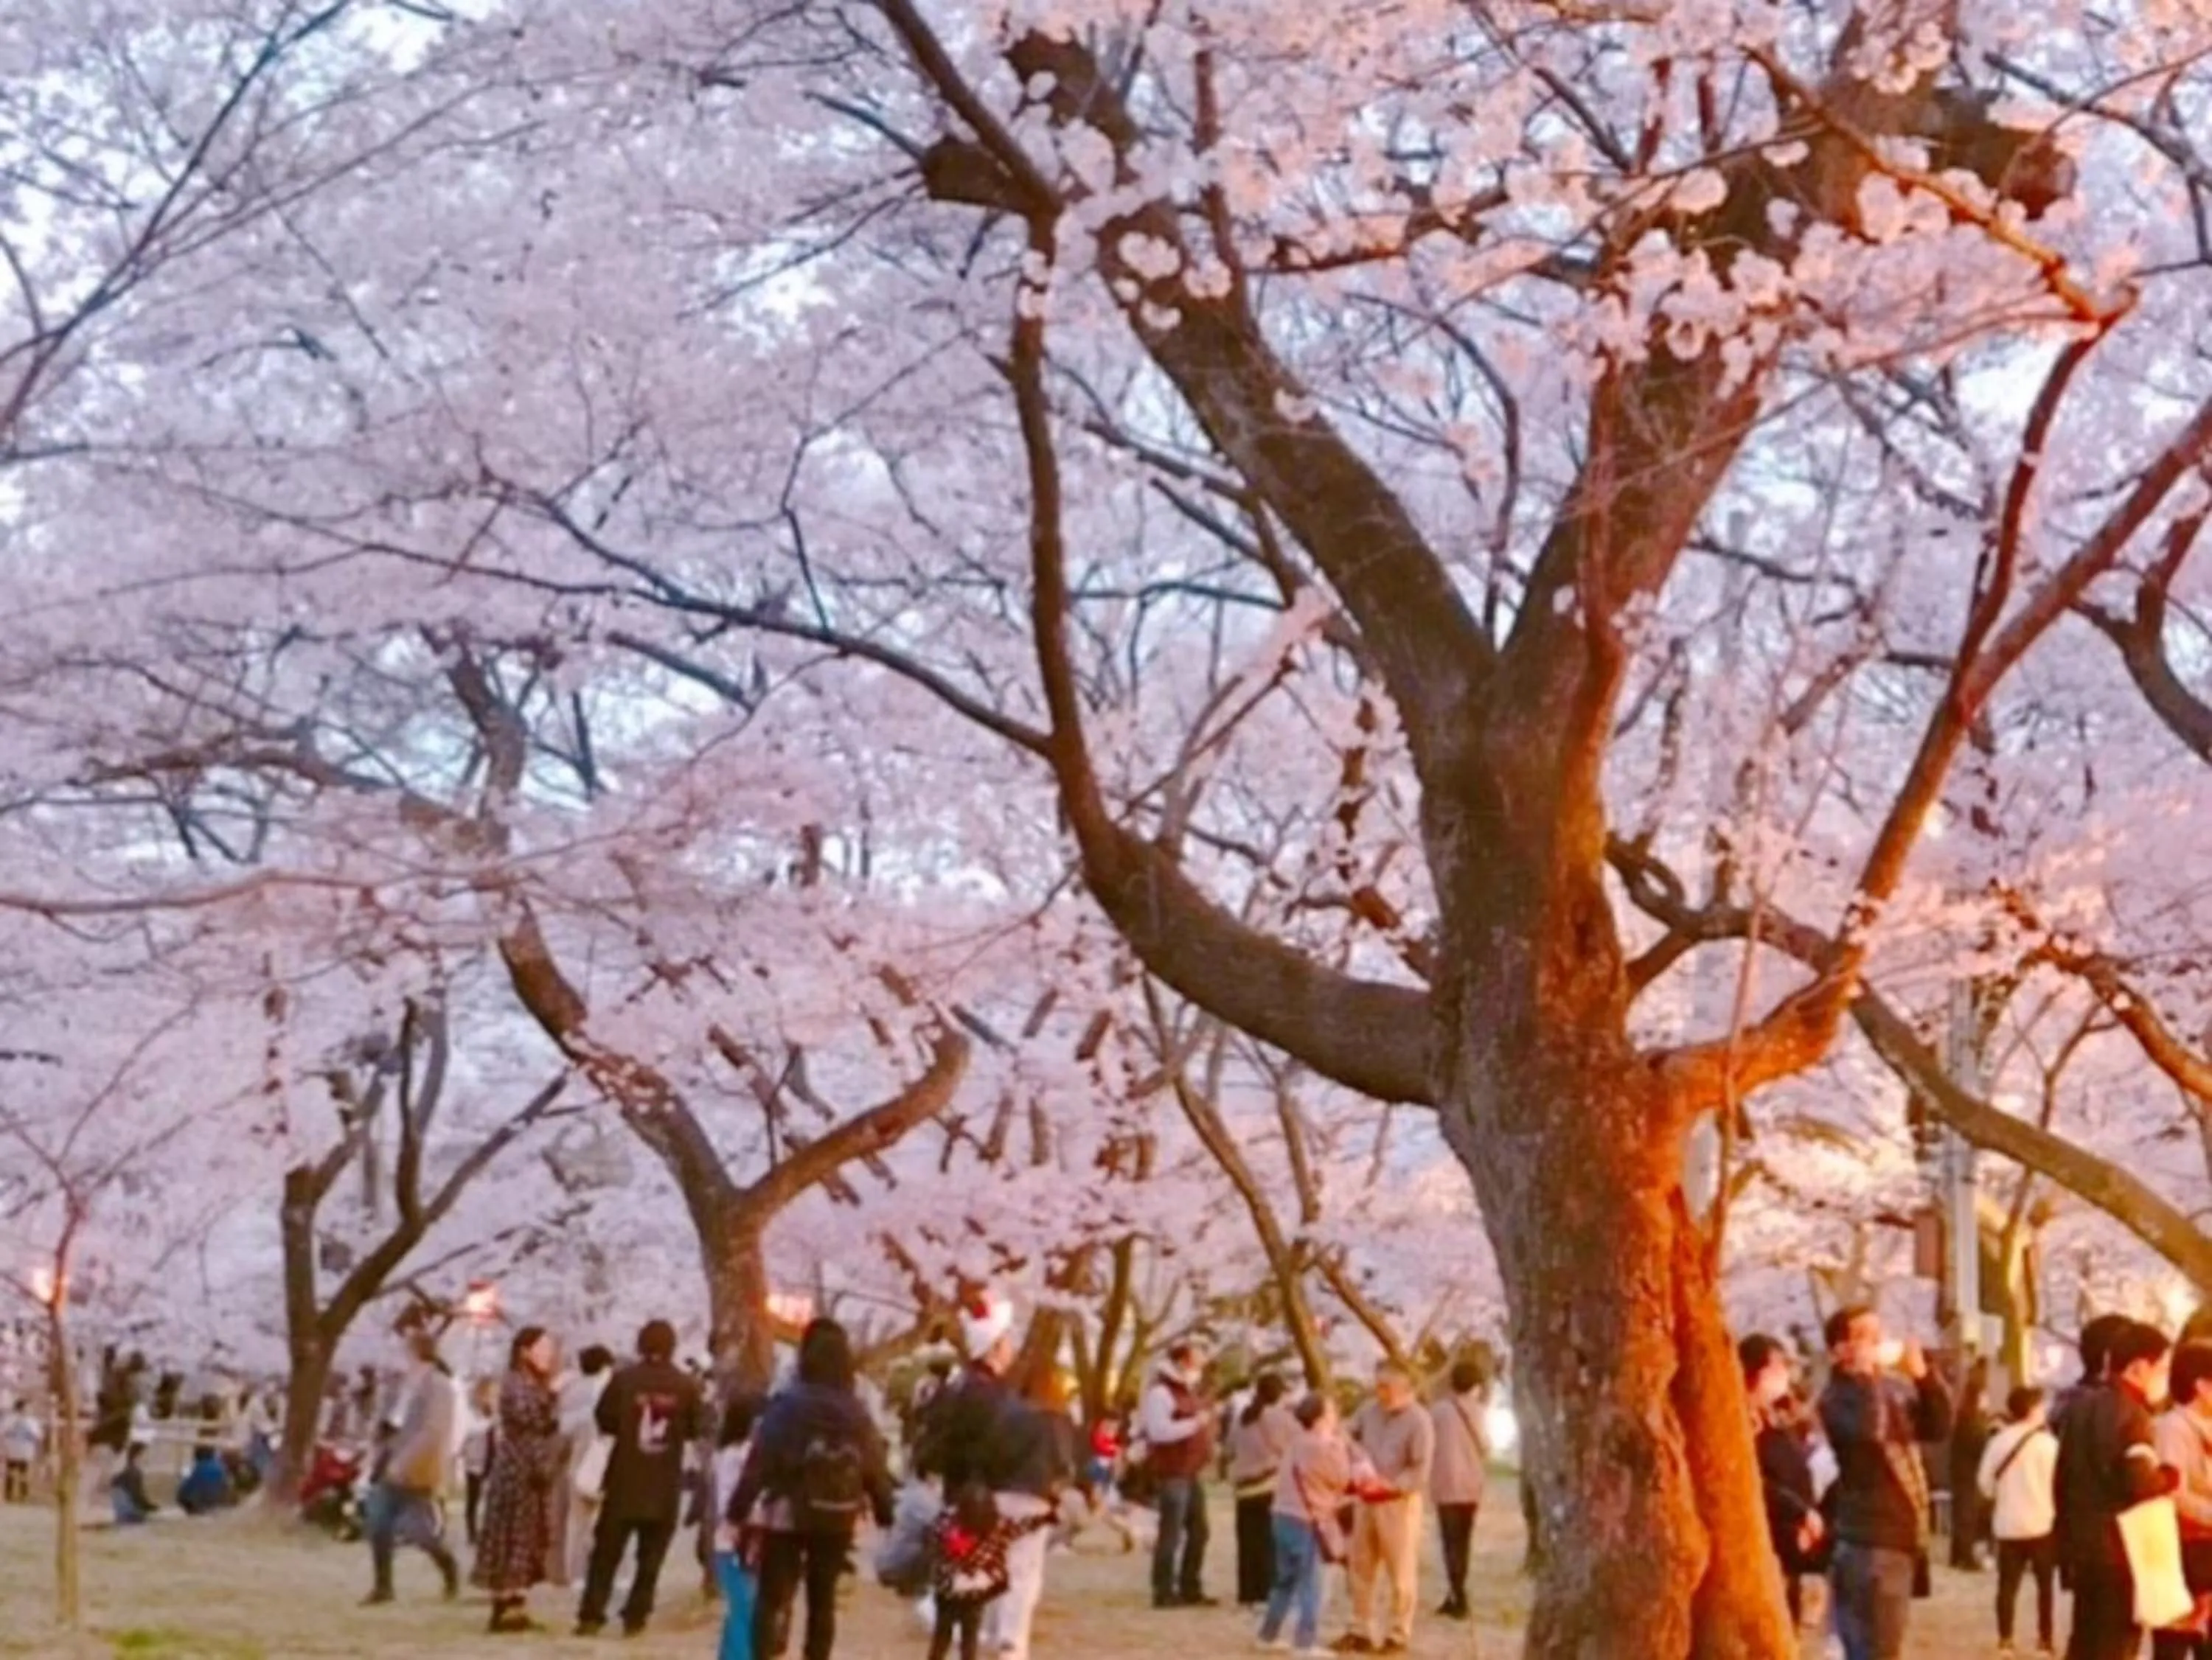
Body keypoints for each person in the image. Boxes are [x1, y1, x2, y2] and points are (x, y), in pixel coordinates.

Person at [731, 1317, 896, 1660]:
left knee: (773, 1596)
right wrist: (884, 1509)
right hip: (837, 1514)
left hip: (788, 1512)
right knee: (823, 1601)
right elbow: (874, 1464)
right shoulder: (856, 1411)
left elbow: (762, 1459)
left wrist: (738, 1509)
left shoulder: (788, 1404)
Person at [1817, 1306, 1952, 1660]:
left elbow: (1937, 1427)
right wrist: (1866, 1379)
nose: (1875, 1343)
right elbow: (1868, 1435)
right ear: (1839, 1349)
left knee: (1884, 1645)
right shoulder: (1837, 1398)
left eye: (1878, 1334)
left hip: (1899, 1537)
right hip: (1869, 1538)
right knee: (1872, 1648)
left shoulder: (1890, 1390)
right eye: (1863, 1335)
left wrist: (1925, 1378)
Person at [576, 1319, 706, 1638]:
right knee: (650, 1558)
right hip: (664, 1483)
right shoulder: (686, 1386)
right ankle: (637, 1615)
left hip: (624, 1479)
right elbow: (695, 1428)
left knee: (606, 1553)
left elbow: (604, 1420)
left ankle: (592, 1614)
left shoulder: (624, 1380)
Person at [2056, 1318, 2177, 1660]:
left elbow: (2063, 1478)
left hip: (2083, 1547)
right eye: (2161, 1368)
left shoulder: (2079, 1408)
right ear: (2140, 1367)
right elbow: (2139, 1482)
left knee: (2084, 1642)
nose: (2162, 1379)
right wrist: (2168, 1478)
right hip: (2120, 1550)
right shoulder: (2132, 1414)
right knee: (2115, 1645)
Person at [1256, 1392, 1374, 1659]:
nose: (1336, 1418)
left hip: (1282, 1515)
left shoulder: (1298, 1442)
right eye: (1332, 1413)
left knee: (1285, 1580)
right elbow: (1343, 1478)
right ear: (1321, 1419)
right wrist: (1346, 1446)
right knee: (1311, 1583)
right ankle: (1305, 1642)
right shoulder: (1322, 1449)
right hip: (1306, 1519)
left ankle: (1268, 1634)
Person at [362, 1326, 462, 1606]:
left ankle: (449, 1569)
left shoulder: (440, 1386)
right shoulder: (400, 1385)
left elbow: (433, 1431)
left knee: (419, 1533)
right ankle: (383, 1586)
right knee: (378, 1522)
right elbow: (390, 1420)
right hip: (391, 1461)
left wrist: (405, 1462)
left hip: (420, 1469)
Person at [472, 1325, 563, 1634]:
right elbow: (532, 1420)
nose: (548, 1355)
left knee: (528, 1533)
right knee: (512, 1533)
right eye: (542, 1348)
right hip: (517, 1469)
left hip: (532, 1468)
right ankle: (504, 1605)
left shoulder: (536, 1384)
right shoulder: (515, 1383)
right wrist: (551, 1399)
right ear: (525, 1351)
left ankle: (517, 1602)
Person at [1343, 1359, 1436, 1656]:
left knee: (1401, 1571)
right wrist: (1356, 1460)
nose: (1380, 1392)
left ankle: (1398, 1633)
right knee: (1360, 1566)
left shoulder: (1419, 1421)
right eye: (1378, 1385)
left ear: (1404, 1387)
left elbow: (1420, 1468)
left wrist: (1392, 1484)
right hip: (1366, 1499)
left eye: (1386, 1386)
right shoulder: (1369, 1411)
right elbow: (1346, 1434)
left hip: (1398, 1502)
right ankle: (1360, 1627)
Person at [1742, 1333, 1823, 1631]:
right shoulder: (1742, 1423)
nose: (1783, 1376)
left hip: (1790, 1544)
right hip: (1765, 1541)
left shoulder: (1776, 1419)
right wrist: (1797, 1512)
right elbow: (1756, 1483)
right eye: (1776, 1368)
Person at [928, 1479, 1058, 1660]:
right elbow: (1021, 1528)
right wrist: (1044, 1519)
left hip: (947, 1588)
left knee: (942, 1634)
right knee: (970, 1635)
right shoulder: (996, 1528)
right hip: (976, 1591)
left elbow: (932, 1537)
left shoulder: (946, 1525)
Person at [1980, 1386, 2059, 1660]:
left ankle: (2005, 1641)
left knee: (2007, 1586)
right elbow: (2059, 1485)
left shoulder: (1999, 1442)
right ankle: (2044, 1641)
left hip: (2008, 1524)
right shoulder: (2048, 1445)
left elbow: (1985, 1484)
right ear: (2032, 1409)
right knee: (2045, 1587)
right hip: (2042, 1523)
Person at [1138, 1338, 1217, 1610]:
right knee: (1170, 1533)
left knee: (1199, 1531)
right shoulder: (1161, 1393)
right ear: (1184, 1361)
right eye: (1198, 1359)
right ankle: (1163, 1590)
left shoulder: (1188, 1391)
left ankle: (1189, 1585)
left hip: (1191, 1470)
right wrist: (1195, 1424)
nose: (1202, 1365)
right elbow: (1158, 1431)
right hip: (1172, 1471)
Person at [2153, 1342, 2212, 1660]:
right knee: (2175, 1643)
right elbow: (2173, 1492)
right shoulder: (2173, 1428)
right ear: (2202, 1386)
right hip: (2187, 1552)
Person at [1427, 1358, 1490, 1622]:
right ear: (1475, 1386)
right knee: (1464, 1541)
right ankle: (1457, 1593)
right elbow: (1487, 1446)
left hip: (1444, 1484)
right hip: (1471, 1485)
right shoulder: (1478, 1411)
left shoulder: (1437, 1411)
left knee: (1450, 1542)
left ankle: (1457, 1595)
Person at [1228, 1373, 1296, 1608]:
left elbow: (1230, 1447)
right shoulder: (1281, 1418)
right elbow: (1295, 1446)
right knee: (1269, 1541)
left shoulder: (1242, 1417)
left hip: (1243, 1486)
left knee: (1247, 1542)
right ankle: (1268, 1590)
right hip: (1269, 1484)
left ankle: (1248, 1591)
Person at [552, 1343, 614, 1588]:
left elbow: (562, 1430)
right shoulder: (604, 1391)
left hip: (575, 1464)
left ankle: (574, 1573)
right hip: (601, 1463)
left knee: (577, 1524)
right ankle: (595, 1572)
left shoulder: (570, 1391)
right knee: (601, 1523)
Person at [712, 1394, 763, 1660]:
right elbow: (728, 1502)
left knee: (743, 1606)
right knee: (743, 1605)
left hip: (741, 1542)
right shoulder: (736, 1456)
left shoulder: (730, 1454)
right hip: (734, 1541)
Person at [1952, 1354, 1994, 1571]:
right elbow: (1981, 1446)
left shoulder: (1964, 1418)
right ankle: (1965, 1555)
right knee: (1967, 1514)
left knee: (1962, 1512)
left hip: (1961, 1470)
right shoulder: (1974, 1422)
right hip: (1970, 1472)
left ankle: (1958, 1553)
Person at [462, 1375, 498, 1546]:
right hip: (475, 1460)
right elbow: (470, 1433)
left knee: (491, 1498)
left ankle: (488, 1530)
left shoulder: (492, 1412)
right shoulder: (472, 1413)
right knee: (473, 1499)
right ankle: (472, 1532)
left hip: (491, 1459)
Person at [4, 1398, 41, 1502]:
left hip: (26, 1450)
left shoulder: (32, 1421)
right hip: (12, 1449)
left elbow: (38, 1436)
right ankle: (9, 1494)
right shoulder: (10, 1419)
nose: (29, 1410)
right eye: (26, 1408)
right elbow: (3, 1431)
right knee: (11, 1472)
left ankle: (23, 1494)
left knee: (24, 1472)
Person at [111, 1439, 156, 1525]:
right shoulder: (134, 1472)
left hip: (119, 1512)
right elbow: (138, 1497)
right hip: (129, 1512)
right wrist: (151, 1508)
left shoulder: (122, 1469)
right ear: (138, 1455)